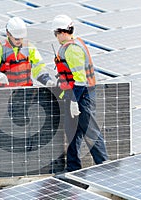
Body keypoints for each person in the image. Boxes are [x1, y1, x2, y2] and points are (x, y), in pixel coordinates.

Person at [52, 15, 108, 172]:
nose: (56, 37)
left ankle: (105, 166)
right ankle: (72, 168)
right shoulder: (73, 44)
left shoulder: (72, 50)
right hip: (74, 95)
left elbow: (80, 80)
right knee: (72, 133)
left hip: (82, 96)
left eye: (56, 33)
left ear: (62, 32)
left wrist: (75, 101)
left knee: (91, 132)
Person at [0, 16, 55, 87]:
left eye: (21, 38)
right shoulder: (0, 48)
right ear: (8, 34)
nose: (19, 41)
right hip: (5, 91)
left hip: (25, 92)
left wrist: (46, 80)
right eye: (16, 38)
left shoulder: (29, 47)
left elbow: (38, 67)